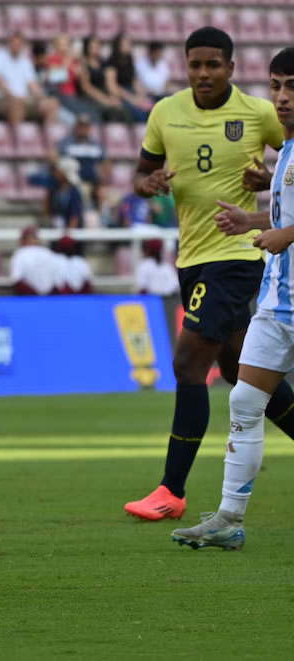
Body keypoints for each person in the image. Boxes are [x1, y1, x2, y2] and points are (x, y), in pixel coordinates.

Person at [124, 28, 294, 521]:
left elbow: (289, 167)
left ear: (231, 69)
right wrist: (147, 184)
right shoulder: (165, 113)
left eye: (213, 65)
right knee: (247, 375)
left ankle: (170, 491)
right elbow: (140, 174)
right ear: (186, 65)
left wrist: (268, 179)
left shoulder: (260, 112)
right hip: (191, 256)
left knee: (187, 364)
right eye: (195, 65)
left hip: (237, 254)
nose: (204, 74)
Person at [171, 48, 294, 550]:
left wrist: (287, 235)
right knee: (244, 400)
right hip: (280, 301)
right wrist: (254, 222)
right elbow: (283, 216)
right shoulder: (286, 151)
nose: (282, 99)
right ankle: (229, 518)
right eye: (277, 87)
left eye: (292, 88)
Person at [0, 32, 59, 127]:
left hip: (23, 100)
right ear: (9, 43)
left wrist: (42, 99)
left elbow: (33, 85)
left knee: (52, 104)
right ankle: (18, 138)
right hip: (0, 99)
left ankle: (48, 139)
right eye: (14, 43)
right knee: (16, 105)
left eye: (19, 44)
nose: (16, 46)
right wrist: (11, 95)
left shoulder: (25, 62)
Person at [56, 115, 108, 209]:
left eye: (85, 127)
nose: (82, 129)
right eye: (80, 126)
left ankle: (100, 219)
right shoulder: (67, 143)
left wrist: (102, 176)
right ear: (76, 127)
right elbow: (55, 157)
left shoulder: (95, 145)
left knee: (104, 194)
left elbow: (105, 162)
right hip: (74, 182)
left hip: (93, 182)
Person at [78, 35, 130, 123]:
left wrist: (114, 98)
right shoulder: (83, 64)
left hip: (104, 95)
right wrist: (105, 100)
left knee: (125, 110)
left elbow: (110, 84)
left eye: (99, 45)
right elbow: (87, 88)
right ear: (87, 48)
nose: (97, 48)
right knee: (112, 113)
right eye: (94, 46)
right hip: (90, 99)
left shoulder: (104, 64)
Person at [104, 33, 152, 123]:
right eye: (126, 43)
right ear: (118, 46)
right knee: (138, 115)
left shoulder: (130, 61)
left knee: (151, 110)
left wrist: (141, 96)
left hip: (131, 93)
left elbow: (134, 81)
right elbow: (112, 87)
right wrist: (131, 99)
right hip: (120, 96)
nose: (129, 45)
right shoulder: (111, 63)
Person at [10, 226, 59, 295]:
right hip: (48, 297)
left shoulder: (20, 253)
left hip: (31, 299)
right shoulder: (48, 252)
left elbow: (16, 280)